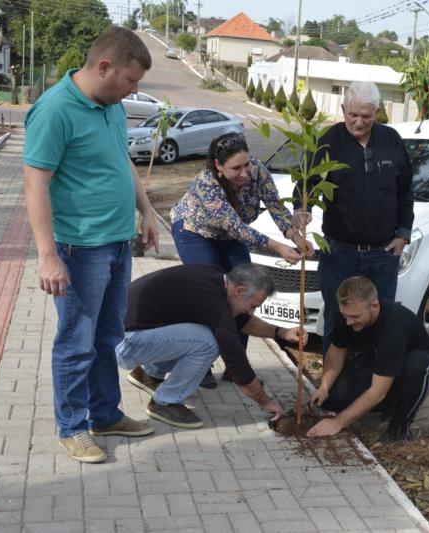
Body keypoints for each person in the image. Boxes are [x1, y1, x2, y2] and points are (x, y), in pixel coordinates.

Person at [23, 27, 159, 463]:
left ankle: (105, 414)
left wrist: (148, 212)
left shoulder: (111, 106)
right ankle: (72, 426)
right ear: (104, 67)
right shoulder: (55, 110)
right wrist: (48, 255)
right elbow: (35, 185)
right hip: (80, 250)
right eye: (130, 80)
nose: (135, 90)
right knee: (76, 342)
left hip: (118, 243)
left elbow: (122, 161)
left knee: (108, 337)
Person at [171, 133, 312, 388]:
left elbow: (276, 207)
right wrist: (278, 247)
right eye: (236, 168)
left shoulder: (258, 171)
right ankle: (199, 363)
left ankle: (236, 365)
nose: (245, 172)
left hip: (229, 235)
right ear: (218, 166)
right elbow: (235, 227)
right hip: (194, 232)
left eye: (247, 164)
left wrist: (295, 237)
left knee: (246, 291)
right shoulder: (207, 183)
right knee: (209, 293)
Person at [297, 81, 414, 354]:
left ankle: (374, 384)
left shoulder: (391, 140)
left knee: (381, 319)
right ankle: (333, 388)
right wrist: (302, 213)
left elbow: (406, 190)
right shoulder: (326, 141)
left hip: (383, 254)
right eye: (353, 115)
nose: (359, 122)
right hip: (339, 253)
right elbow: (306, 184)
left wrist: (403, 233)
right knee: (338, 319)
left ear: (377, 112)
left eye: (366, 116)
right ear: (343, 110)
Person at [116, 263, 304, 428]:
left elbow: (243, 321)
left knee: (201, 331)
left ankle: (148, 374)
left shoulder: (215, 280)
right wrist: (266, 402)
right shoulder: (214, 302)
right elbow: (237, 363)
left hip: (126, 332)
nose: (251, 311)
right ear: (239, 290)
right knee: (210, 342)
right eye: (253, 305)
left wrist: (281, 331)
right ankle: (164, 403)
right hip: (124, 343)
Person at [306, 276, 429, 442]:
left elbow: (378, 391)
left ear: (374, 305)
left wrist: (337, 423)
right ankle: (387, 405)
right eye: (345, 316)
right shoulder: (346, 311)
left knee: (416, 367)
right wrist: (324, 386)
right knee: (332, 401)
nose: (348, 322)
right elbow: (337, 350)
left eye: (354, 317)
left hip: (415, 361)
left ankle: (399, 429)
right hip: (376, 360)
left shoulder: (393, 327)